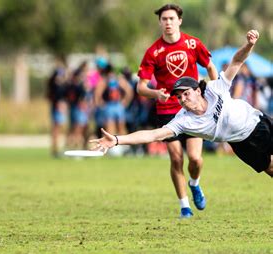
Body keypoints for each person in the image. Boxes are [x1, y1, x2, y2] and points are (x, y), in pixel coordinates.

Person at [92, 30, 271, 189]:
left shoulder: (215, 88)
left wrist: (248, 44)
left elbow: (237, 61)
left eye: (185, 94)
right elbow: (152, 135)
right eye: (178, 97)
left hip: (258, 123)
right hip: (241, 143)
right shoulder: (184, 120)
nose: (182, 100)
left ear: (198, 90)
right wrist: (116, 140)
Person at [137, 4, 218, 218]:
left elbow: (210, 66)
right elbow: (141, 87)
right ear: (160, 22)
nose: (168, 22)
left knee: (196, 159)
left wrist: (216, 91)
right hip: (166, 109)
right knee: (176, 159)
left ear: (179, 21)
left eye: (172, 18)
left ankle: (195, 183)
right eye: (164, 19)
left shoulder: (192, 43)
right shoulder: (153, 51)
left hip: (192, 108)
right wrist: (156, 94)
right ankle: (184, 207)